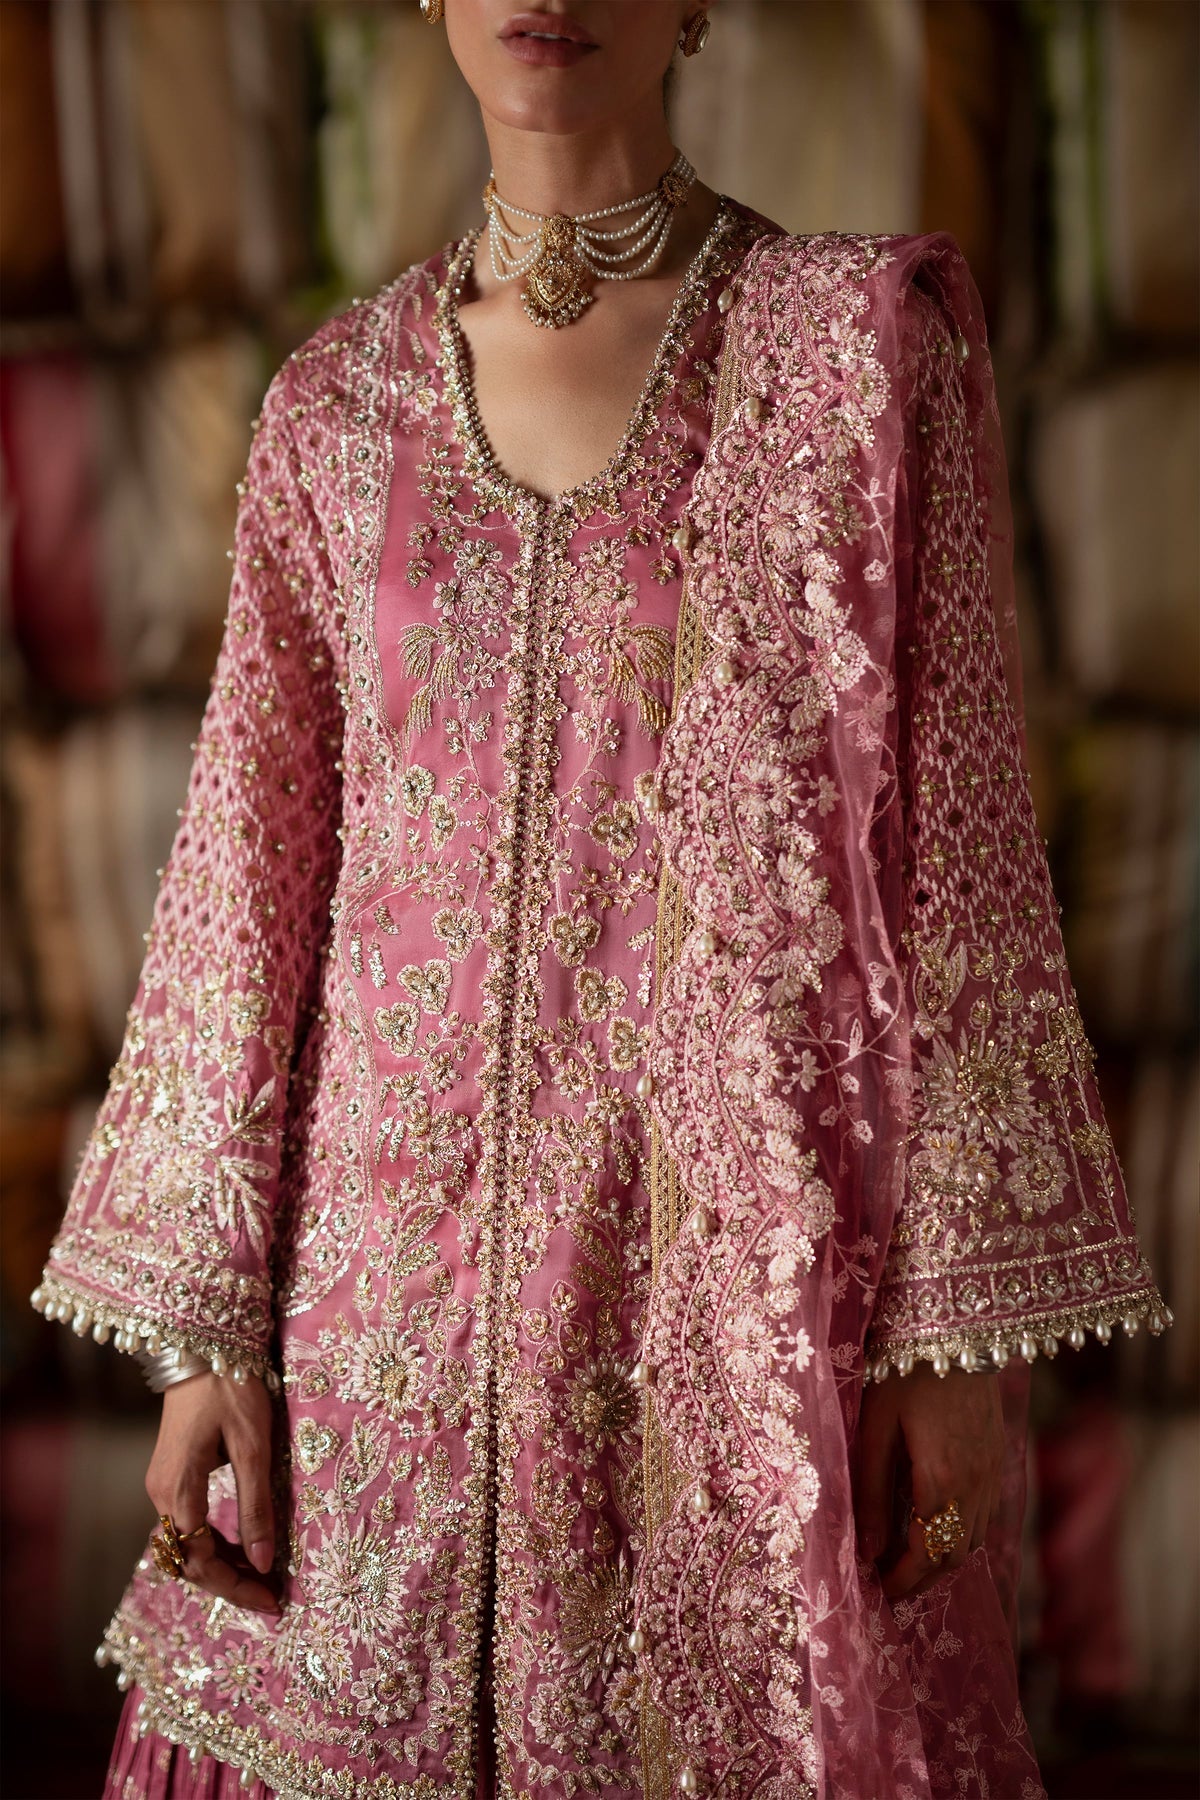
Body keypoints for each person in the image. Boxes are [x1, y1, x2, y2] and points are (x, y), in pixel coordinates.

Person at [31, 2, 1169, 1796]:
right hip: (372, 1324)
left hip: (725, 1307)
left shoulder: (853, 360)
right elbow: (248, 878)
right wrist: (202, 1334)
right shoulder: (334, 410)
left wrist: (947, 1348)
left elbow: (962, 873)